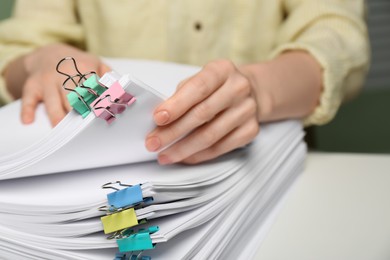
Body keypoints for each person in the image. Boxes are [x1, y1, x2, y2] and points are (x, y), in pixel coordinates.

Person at [0, 0, 370, 165]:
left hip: (265, 163)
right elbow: (15, 48)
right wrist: (40, 60)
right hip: (106, 170)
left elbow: (337, 38)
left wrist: (260, 90)